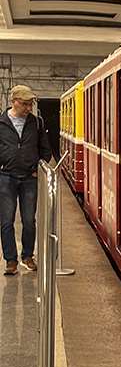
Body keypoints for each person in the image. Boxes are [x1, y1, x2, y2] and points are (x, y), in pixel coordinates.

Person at [0, 85, 52, 275]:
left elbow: (45, 150)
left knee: (29, 220)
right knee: (6, 221)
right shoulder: (1, 123)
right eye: (24, 104)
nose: (28, 108)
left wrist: (39, 167)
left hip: (29, 178)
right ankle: (10, 261)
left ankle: (27, 256)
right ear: (12, 102)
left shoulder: (36, 123)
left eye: (30, 104)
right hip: (6, 177)